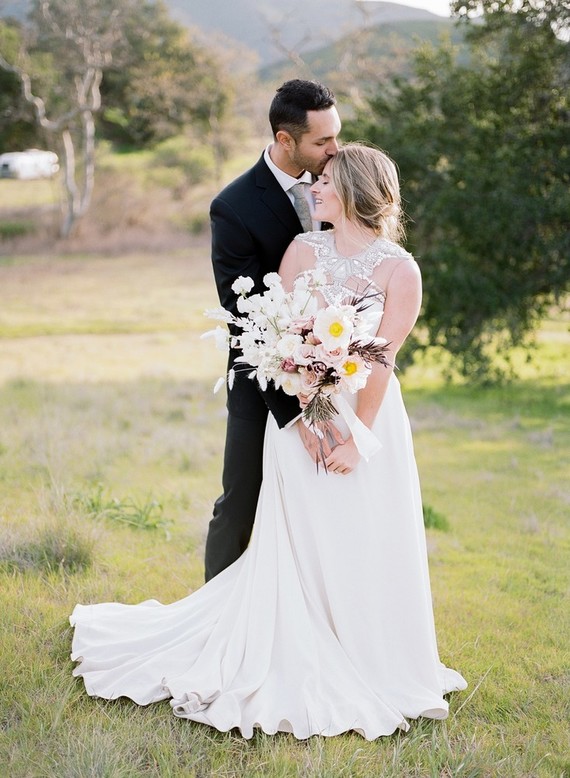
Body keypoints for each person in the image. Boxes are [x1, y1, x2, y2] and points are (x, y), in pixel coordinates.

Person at [70, 143, 467, 740]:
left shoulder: (399, 270)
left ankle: (370, 652)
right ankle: (294, 646)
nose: (314, 188)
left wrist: (356, 438)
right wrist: (305, 417)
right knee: (302, 538)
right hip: (301, 420)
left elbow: (381, 359)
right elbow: (277, 339)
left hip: (368, 419)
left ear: (354, 190)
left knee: (365, 530)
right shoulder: (302, 250)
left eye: (326, 181)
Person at [204, 79, 342, 582]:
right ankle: (217, 614)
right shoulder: (234, 206)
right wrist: (295, 414)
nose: (335, 149)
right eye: (322, 141)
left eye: (337, 135)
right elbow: (244, 318)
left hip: (338, 374)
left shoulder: (344, 182)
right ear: (286, 140)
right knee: (241, 501)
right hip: (263, 381)